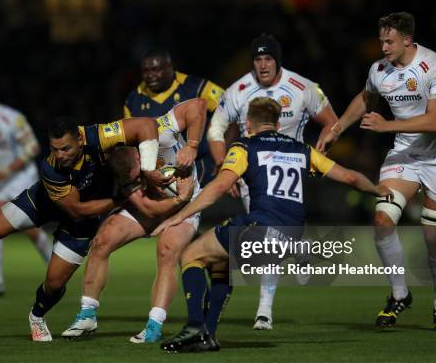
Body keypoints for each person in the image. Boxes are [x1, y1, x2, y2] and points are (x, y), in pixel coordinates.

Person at [153, 97, 390, 352]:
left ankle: (195, 327)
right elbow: (350, 176)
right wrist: (377, 189)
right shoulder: (302, 150)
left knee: (191, 255)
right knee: (220, 262)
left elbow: (220, 186)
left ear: (248, 124)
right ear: (277, 125)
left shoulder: (245, 146)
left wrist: (179, 215)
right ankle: (208, 335)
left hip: (261, 229)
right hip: (291, 233)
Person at [0, 114, 161, 342]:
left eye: (66, 149)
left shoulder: (100, 136)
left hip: (82, 225)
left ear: (80, 139)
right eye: (55, 148)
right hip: (44, 204)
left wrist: (147, 170)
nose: (60, 155)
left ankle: (36, 316)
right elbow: (75, 209)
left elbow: (147, 125)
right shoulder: (51, 168)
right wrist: (121, 199)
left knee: (54, 284)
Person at [318, 12, 436, 332]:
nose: (382, 47)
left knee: (432, 235)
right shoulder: (379, 70)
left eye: (389, 41)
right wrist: (337, 127)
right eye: (381, 40)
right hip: (404, 155)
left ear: (407, 40)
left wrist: (387, 125)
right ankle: (399, 294)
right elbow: (366, 97)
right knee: (382, 220)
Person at [207, 33, 339, 330]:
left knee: (269, 239)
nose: (262, 65)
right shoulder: (238, 89)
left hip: (289, 174)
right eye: (257, 59)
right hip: (252, 176)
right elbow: (216, 130)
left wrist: (320, 150)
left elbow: (332, 121)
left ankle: (267, 304)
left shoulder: (302, 87)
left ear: (278, 61)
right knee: (268, 239)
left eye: (268, 59)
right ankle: (269, 302)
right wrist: (223, 166)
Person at [62, 98, 207, 343]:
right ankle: (86, 316)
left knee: (167, 250)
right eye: (133, 179)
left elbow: (198, 105)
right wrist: (177, 200)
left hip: (189, 203)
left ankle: (154, 325)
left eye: (139, 174)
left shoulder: (162, 131)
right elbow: (148, 210)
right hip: (170, 202)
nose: (138, 178)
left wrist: (192, 146)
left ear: (141, 158)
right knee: (101, 241)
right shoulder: (120, 160)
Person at [0, 78, 52, 297]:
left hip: (21, 177)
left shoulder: (12, 118)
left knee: (31, 230)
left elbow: (33, 147)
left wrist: (8, 170)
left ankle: (56, 269)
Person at [125, 49, 224, 186]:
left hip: (203, 163)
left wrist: (222, 156)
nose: (150, 75)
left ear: (170, 68)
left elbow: (229, 113)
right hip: (160, 174)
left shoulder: (195, 87)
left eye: (156, 69)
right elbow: (130, 142)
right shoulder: (133, 101)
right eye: (145, 71)